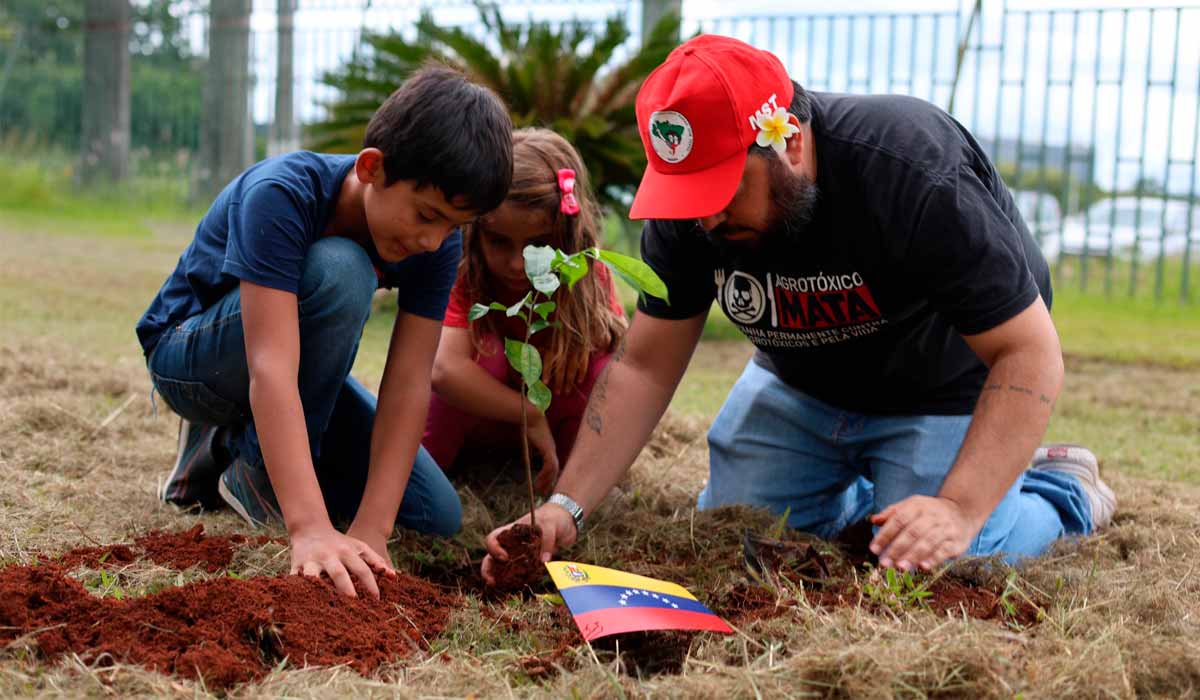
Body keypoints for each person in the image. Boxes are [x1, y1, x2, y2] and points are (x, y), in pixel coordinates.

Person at [482, 35, 1116, 582]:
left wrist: (959, 506)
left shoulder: (911, 170)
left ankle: (1061, 492)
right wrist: (567, 506)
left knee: (947, 559)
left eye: (723, 190)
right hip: (801, 382)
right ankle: (885, 485)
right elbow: (644, 367)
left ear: (786, 143)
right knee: (743, 540)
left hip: (941, 385)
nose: (705, 216)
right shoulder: (690, 213)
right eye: (687, 194)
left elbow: (1029, 351)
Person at [136, 64, 514, 598]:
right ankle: (252, 467)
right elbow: (270, 365)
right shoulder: (281, 195)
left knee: (433, 510)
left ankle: (231, 448)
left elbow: (408, 384)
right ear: (372, 168)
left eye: (454, 227)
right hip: (189, 360)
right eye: (427, 215)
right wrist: (310, 528)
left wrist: (372, 530)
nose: (434, 241)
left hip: (288, 372)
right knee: (342, 270)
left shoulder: (436, 244)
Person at [423, 128, 627, 494]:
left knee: (601, 368)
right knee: (486, 356)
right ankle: (423, 479)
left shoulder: (586, 274)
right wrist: (528, 413)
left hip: (551, 434)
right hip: (483, 423)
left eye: (539, 245)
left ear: (567, 235)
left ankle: (575, 483)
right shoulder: (465, 271)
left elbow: (623, 374)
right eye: (499, 241)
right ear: (476, 229)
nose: (518, 264)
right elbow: (445, 370)